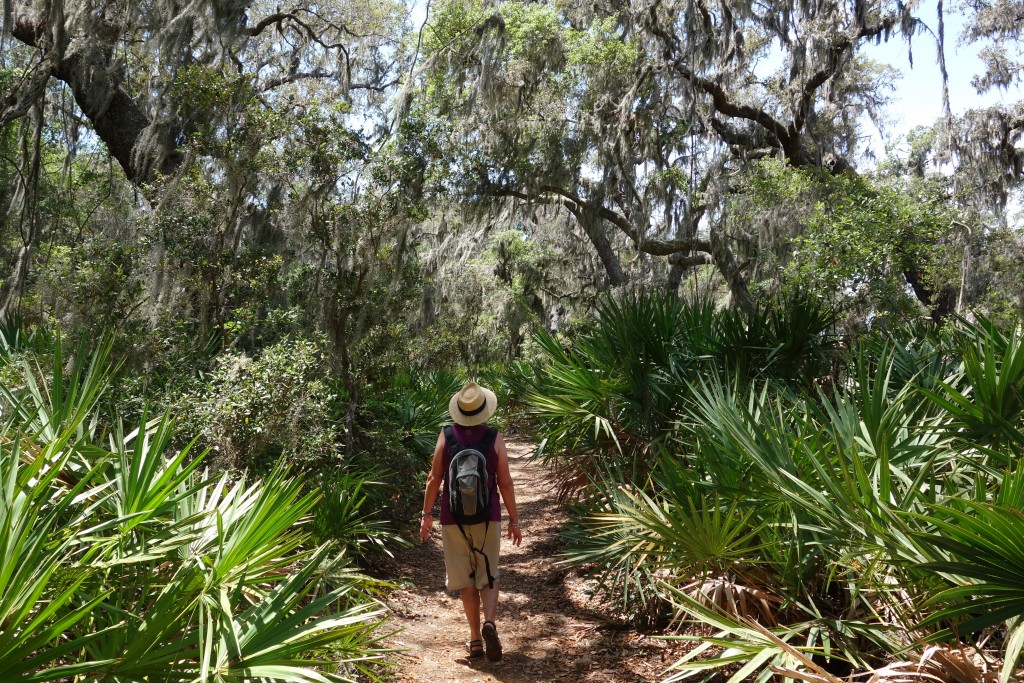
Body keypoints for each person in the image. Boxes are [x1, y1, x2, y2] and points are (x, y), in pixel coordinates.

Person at [419, 381, 522, 662]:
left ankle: (476, 640)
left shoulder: (447, 435)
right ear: (483, 410)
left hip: (453, 519)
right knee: (488, 573)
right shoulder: (493, 437)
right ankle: (489, 621)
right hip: (488, 517)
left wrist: (426, 515)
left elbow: (434, 478)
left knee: (466, 580)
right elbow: (506, 482)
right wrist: (514, 520)